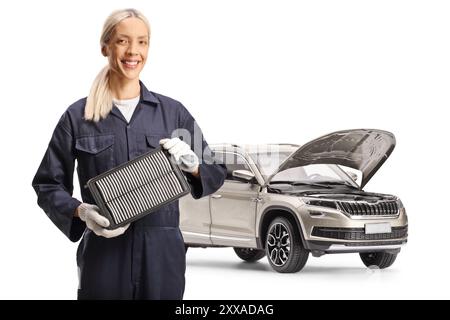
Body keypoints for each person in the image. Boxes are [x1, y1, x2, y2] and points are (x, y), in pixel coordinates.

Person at [31, 8, 227, 300]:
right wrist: (81, 212)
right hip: (104, 256)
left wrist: (195, 165)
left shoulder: (173, 113)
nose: (133, 51)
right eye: (123, 41)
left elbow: (216, 173)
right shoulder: (77, 116)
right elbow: (47, 184)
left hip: (163, 257)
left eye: (142, 41)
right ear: (105, 46)